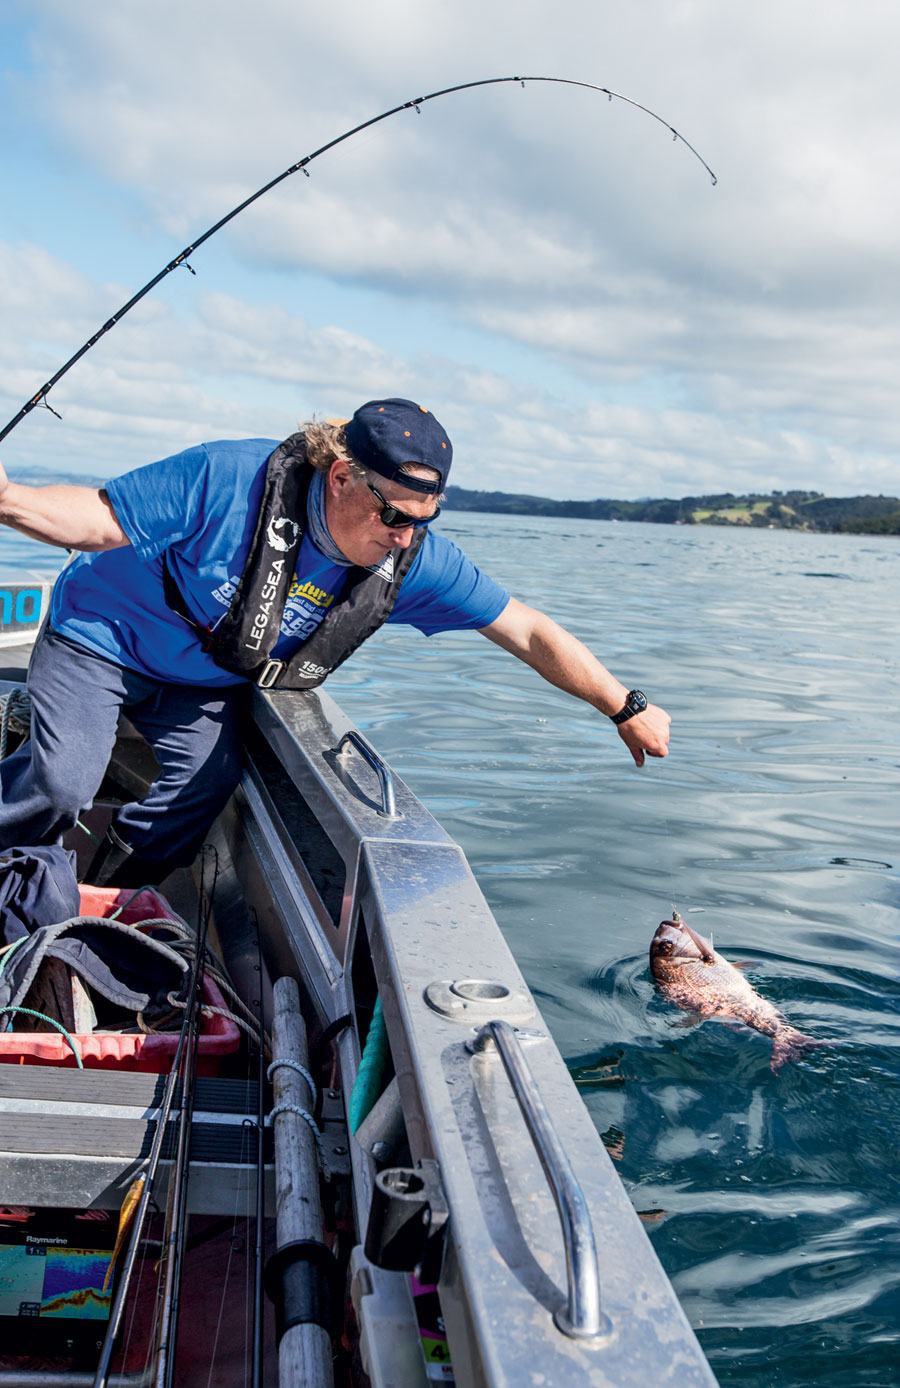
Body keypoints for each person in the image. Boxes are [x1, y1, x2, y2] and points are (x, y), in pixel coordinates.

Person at [0, 398, 670, 886]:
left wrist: (625, 705)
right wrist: (7, 497)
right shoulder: (228, 477)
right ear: (343, 475)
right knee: (62, 782)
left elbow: (525, 628)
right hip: (100, 635)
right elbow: (94, 519)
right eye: (394, 516)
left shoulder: (408, 558)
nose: (404, 537)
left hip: (199, 680)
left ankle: (110, 899)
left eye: (423, 522)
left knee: (200, 792)